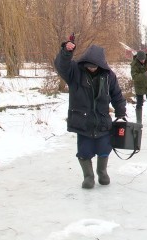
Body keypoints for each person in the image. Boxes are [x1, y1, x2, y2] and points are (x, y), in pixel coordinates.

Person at [54, 40, 126, 189]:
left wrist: (121, 112)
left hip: (102, 120)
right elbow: (61, 65)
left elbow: (117, 95)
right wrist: (66, 52)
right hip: (83, 121)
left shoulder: (109, 76)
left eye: (95, 66)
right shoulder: (75, 72)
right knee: (84, 150)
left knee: (104, 148)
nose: (92, 68)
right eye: (89, 65)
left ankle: (102, 172)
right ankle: (88, 176)